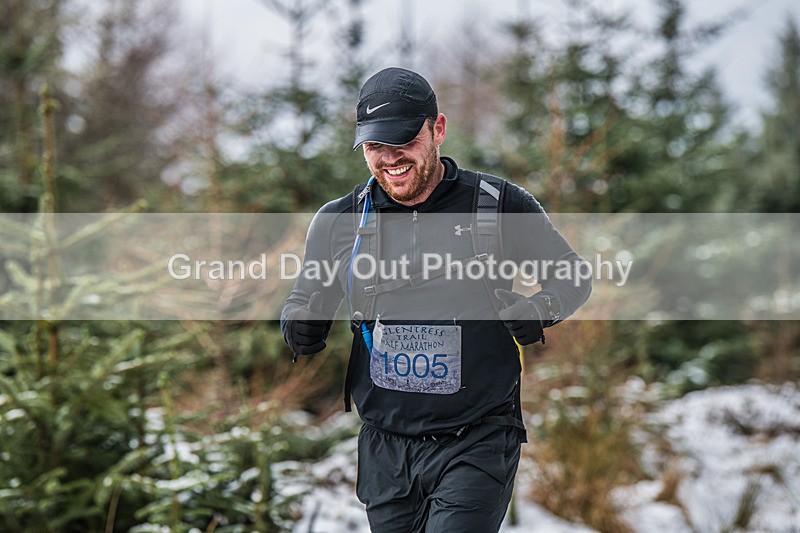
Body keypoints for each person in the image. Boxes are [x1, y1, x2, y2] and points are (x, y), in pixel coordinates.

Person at [281, 67, 591, 533]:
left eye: (403, 140)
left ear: (438, 129)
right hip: (385, 447)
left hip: (477, 436)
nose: (390, 158)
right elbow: (304, 297)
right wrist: (298, 323)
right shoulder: (338, 220)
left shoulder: (497, 204)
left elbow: (573, 276)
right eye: (374, 146)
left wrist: (539, 309)